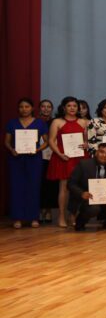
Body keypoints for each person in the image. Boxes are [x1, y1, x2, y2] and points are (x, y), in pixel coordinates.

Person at [5, 98, 48, 228]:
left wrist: (37, 150)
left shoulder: (39, 123)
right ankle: (17, 218)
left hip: (34, 159)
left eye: (27, 106)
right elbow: (6, 141)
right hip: (16, 159)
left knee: (33, 187)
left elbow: (47, 142)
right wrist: (11, 149)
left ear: (32, 108)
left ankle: (33, 217)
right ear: (18, 109)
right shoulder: (12, 123)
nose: (24, 109)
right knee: (16, 187)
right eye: (21, 107)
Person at [47, 96, 90, 228]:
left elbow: (88, 140)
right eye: (69, 106)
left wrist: (86, 144)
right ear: (64, 107)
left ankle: (73, 215)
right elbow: (51, 140)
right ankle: (61, 216)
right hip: (63, 157)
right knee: (64, 187)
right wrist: (59, 154)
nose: (72, 108)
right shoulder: (57, 122)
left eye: (75, 106)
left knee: (78, 187)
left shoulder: (84, 122)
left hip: (80, 158)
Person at [67, 142, 106, 231]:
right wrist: (82, 193)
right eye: (102, 152)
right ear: (96, 152)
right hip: (87, 198)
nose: (104, 155)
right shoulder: (84, 164)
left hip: (105, 196)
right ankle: (80, 223)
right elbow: (71, 184)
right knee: (94, 208)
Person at [38, 99, 57, 223]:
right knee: (40, 183)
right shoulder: (34, 121)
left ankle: (49, 210)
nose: (46, 109)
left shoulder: (55, 122)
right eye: (43, 106)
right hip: (37, 155)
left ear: (52, 109)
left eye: (49, 106)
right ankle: (40, 210)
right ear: (39, 108)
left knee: (50, 184)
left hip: (52, 155)